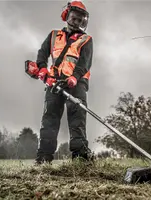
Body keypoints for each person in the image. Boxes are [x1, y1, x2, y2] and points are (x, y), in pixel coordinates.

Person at [25, 0, 93, 164]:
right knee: (49, 120)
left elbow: (85, 63)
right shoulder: (54, 35)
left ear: (83, 21)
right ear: (67, 16)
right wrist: (42, 69)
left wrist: (74, 77)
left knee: (77, 121)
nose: (76, 22)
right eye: (73, 18)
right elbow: (42, 54)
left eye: (79, 20)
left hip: (76, 84)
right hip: (54, 83)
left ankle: (80, 159)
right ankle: (43, 158)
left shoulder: (86, 39)